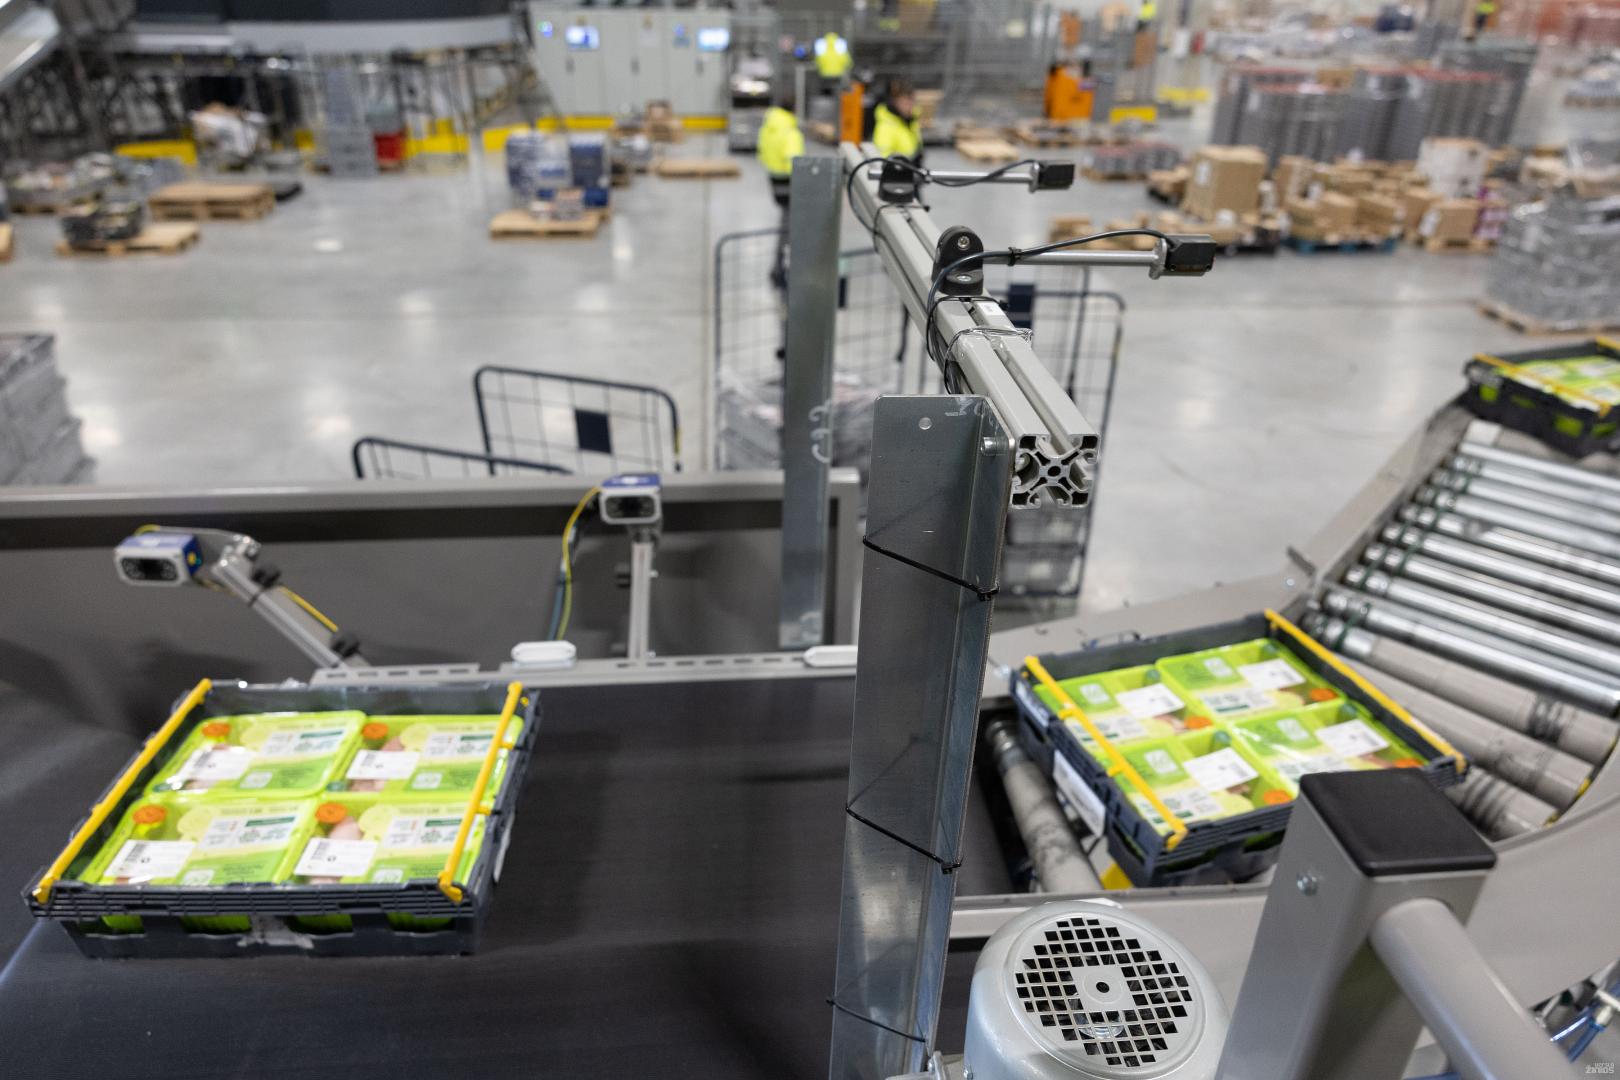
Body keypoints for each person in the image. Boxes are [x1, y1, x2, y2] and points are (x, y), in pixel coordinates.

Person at [756, 94, 804, 289]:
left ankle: (779, 266)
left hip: (775, 181)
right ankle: (780, 268)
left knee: (786, 222)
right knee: (790, 226)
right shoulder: (790, 132)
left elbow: (761, 151)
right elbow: (795, 162)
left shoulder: (769, 126)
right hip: (789, 184)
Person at [866, 78, 922, 162]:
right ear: (895, 102)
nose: (910, 107)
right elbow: (883, 158)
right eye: (905, 103)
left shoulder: (911, 121)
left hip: (911, 166)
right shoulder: (886, 126)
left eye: (912, 102)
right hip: (899, 168)